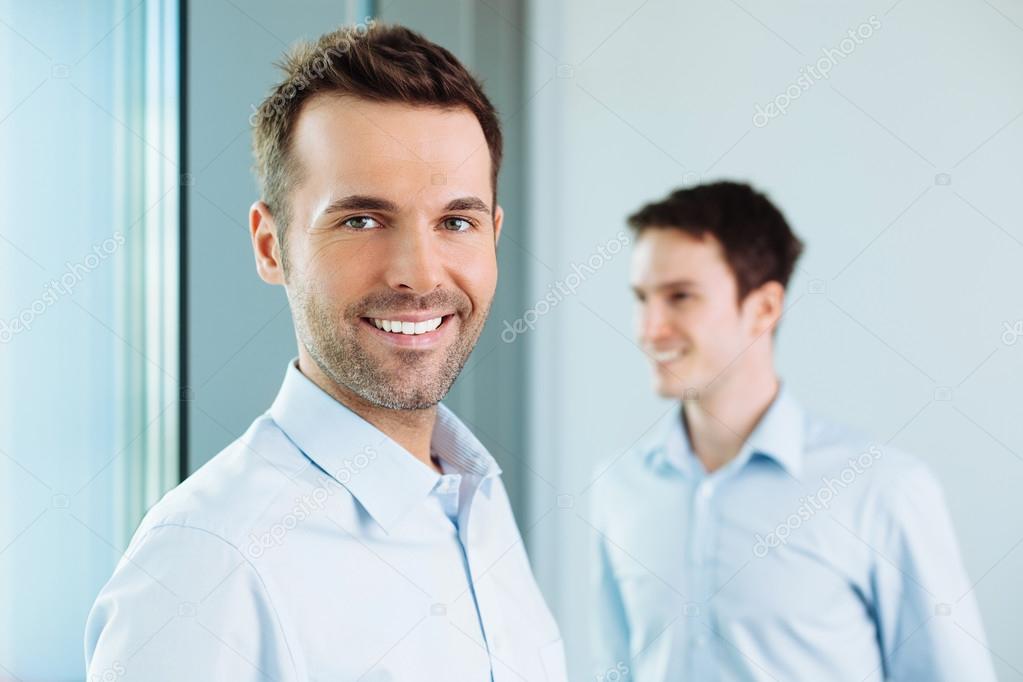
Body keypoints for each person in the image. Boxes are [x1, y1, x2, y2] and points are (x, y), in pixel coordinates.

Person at [86, 23, 566, 681]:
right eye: (361, 220)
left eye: (456, 222)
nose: (421, 276)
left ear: (493, 235)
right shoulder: (205, 568)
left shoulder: (473, 502)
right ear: (270, 245)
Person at [589, 181, 995, 681]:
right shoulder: (618, 486)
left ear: (763, 308)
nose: (650, 328)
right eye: (642, 298)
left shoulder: (880, 489)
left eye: (680, 297)